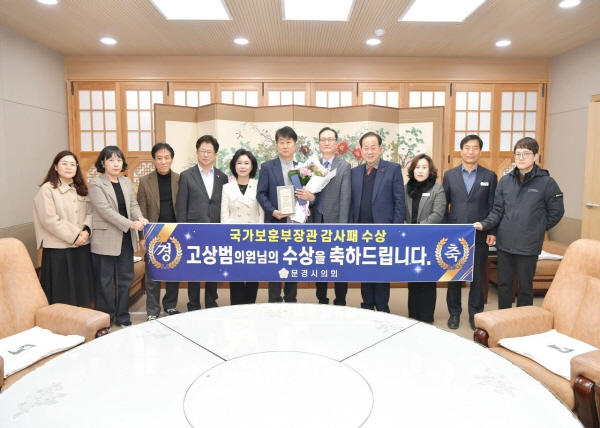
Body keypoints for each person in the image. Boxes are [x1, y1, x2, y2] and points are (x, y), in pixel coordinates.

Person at [475, 137, 564, 309]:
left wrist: (536, 228)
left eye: (526, 154)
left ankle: (523, 319)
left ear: (536, 156)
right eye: (518, 154)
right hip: (505, 243)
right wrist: (485, 224)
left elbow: (556, 212)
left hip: (529, 244)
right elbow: (497, 210)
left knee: (525, 287)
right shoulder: (505, 181)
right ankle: (504, 318)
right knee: (504, 285)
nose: (521, 158)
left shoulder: (547, 182)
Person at [88, 146, 147, 327]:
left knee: (125, 278)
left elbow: (133, 204)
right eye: (111, 160)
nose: (116, 163)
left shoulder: (126, 182)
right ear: (103, 162)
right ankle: (105, 319)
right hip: (104, 238)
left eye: (119, 160)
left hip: (125, 239)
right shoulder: (96, 183)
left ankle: (122, 315)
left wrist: (139, 217)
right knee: (105, 281)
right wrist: (130, 224)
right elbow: (105, 211)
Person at [444, 135, 497, 331]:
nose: (471, 152)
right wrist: (445, 229)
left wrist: (492, 230)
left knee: (478, 277)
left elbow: (493, 206)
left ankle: (475, 314)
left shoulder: (489, 175)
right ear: (461, 150)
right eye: (467, 147)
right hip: (454, 233)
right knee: (454, 275)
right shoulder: (450, 175)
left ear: (480, 152)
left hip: (479, 233)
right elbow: (444, 205)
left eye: (475, 148)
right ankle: (454, 314)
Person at [257, 126, 314, 303]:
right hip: (276, 222)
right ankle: (274, 299)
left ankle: (291, 298)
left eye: (288, 142)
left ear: (295, 144)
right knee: (275, 262)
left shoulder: (303, 168)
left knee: (293, 260)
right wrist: (272, 211)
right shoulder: (267, 167)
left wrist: (310, 197)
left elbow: (311, 194)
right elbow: (261, 194)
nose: (285, 146)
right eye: (281, 142)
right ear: (276, 145)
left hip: (296, 224)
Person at [349, 131, 405, 313]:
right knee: (365, 269)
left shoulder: (393, 169)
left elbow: (399, 202)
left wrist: (396, 230)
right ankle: (367, 305)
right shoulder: (355, 172)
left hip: (384, 231)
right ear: (360, 150)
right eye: (366, 148)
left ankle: (382, 307)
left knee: (382, 270)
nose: (370, 151)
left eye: (373, 147)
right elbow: (351, 203)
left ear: (381, 149)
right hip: (361, 230)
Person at [33, 150, 94, 306]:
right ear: (55, 167)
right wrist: (75, 236)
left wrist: (86, 231)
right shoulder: (47, 189)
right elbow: (49, 220)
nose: (69, 167)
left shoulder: (81, 188)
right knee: (62, 294)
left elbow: (91, 212)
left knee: (82, 292)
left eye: (73, 164)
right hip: (58, 249)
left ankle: (82, 319)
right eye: (64, 163)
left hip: (82, 246)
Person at [177, 135, 229, 310]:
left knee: (213, 265)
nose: (206, 155)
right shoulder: (186, 175)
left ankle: (211, 301)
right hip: (193, 230)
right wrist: (182, 231)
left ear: (215, 154)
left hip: (215, 229)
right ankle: (193, 303)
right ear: (197, 152)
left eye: (209, 152)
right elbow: (181, 206)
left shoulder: (222, 177)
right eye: (203, 151)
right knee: (194, 267)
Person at [137, 142, 180, 321]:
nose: (163, 161)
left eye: (167, 158)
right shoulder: (145, 181)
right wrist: (142, 237)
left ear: (172, 159)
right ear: (154, 160)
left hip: (175, 230)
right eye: (159, 158)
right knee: (152, 272)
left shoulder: (180, 179)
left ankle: (170, 305)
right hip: (154, 231)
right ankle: (153, 311)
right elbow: (141, 210)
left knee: (174, 270)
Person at [310, 127, 351, 305]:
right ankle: (322, 298)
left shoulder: (344, 166)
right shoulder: (312, 165)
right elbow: (309, 195)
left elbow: (345, 199)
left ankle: (340, 299)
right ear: (319, 143)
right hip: (316, 220)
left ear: (336, 143)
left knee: (337, 261)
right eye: (323, 139)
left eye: (330, 139)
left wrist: (342, 226)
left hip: (335, 222)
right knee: (320, 261)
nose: (326, 143)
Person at [404, 154, 446, 323]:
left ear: (430, 171)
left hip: (429, 240)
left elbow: (438, 214)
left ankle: (427, 318)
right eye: (417, 167)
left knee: (427, 280)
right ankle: (413, 316)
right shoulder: (405, 188)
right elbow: (399, 211)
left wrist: (418, 228)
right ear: (412, 170)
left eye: (424, 167)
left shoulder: (437, 189)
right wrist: (407, 227)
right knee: (413, 278)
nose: (420, 171)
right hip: (409, 240)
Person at [221, 149, 264, 305]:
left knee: (253, 275)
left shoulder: (258, 185)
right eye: (239, 163)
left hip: (254, 237)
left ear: (252, 166)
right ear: (234, 166)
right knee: (236, 275)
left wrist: (260, 236)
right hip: (234, 238)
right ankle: (236, 307)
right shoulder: (227, 187)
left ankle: (250, 306)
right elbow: (224, 215)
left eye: (246, 163)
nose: (243, 166)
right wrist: (227, 236)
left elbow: (261, 214)